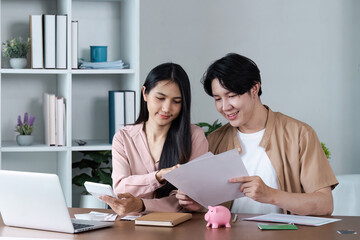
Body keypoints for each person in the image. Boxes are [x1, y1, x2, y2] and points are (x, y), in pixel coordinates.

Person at [176, 53, 338, 215]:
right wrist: (199, 204)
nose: (225, 107)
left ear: (254, 88)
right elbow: (212, 207)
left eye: (231, 96)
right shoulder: (215, 140)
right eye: (218, 99)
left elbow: (324, 205)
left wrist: (271, 195)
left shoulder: (300, 134)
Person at [100, 63, 208, 217]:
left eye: (176, 101)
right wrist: (157, 176)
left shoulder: (194, 136)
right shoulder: (124, 137)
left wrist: (142, 204)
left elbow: (186, 201)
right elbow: (120, 189)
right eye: (160, 98)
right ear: (145, 93)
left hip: (178, 228)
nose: (166, 108)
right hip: (131, 228)